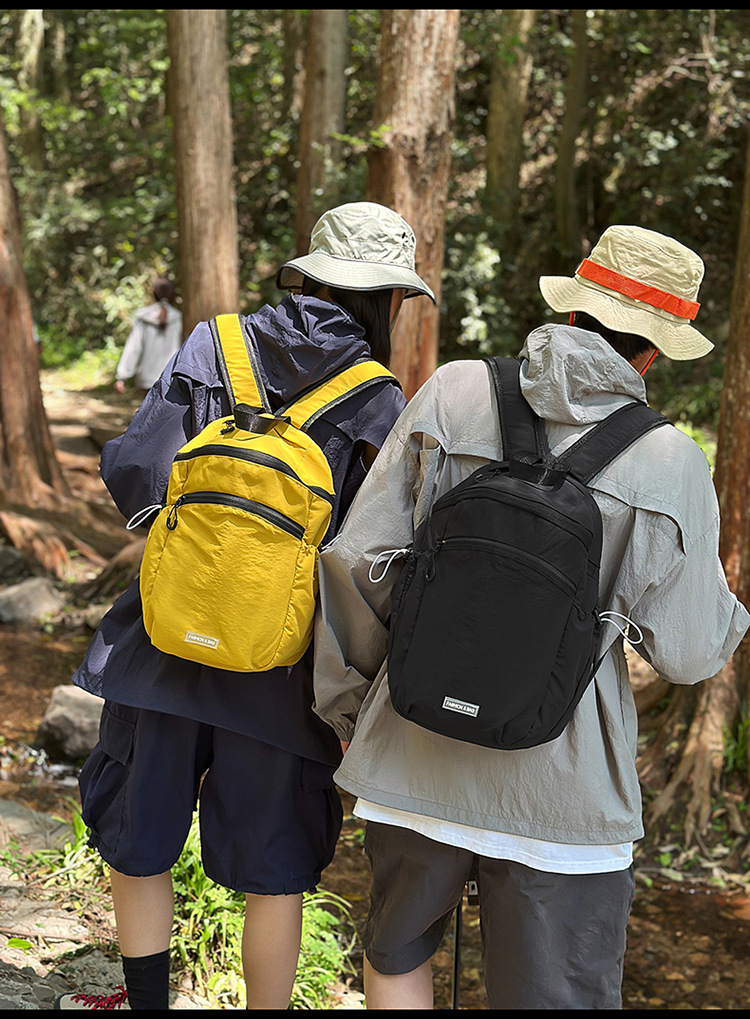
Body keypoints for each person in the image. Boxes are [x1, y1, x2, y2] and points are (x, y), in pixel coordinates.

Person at [311, 224, 750, 1010]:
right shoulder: (670, 461)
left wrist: (355, 709)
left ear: (571, 312)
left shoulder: (453, 390)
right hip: (563, 800)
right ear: (653, 352)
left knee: (396, 954)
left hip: (412, 752)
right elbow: (688, 655)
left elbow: (358, 560)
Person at [55, 202, 434, 1011]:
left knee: (139, 837)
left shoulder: (214, 343)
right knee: (275, 871)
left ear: (309, 273)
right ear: (389, 299)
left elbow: (135, 473)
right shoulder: (379, 399)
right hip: (282, 676)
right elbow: (371, 557)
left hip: (162, 646)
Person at [114, 277, 183, 397]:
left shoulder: (142, 316)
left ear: (154, 294)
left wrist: (122, 376)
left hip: (146, 379)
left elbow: (134, 347)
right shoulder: (178, 317)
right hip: (170, 379)